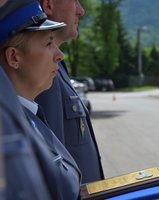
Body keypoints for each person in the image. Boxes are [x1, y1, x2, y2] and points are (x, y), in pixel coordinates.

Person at [0, 0, 81, 199]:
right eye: (47, 43)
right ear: (14, 57)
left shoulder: (30, 116)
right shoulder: (10, 126)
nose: (59, 55)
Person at [36, 0, 105, 183]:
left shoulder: (58, 66)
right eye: (74, 1)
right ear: (49, 5)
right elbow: (53, 167)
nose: (81, 11)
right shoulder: (42, 73)